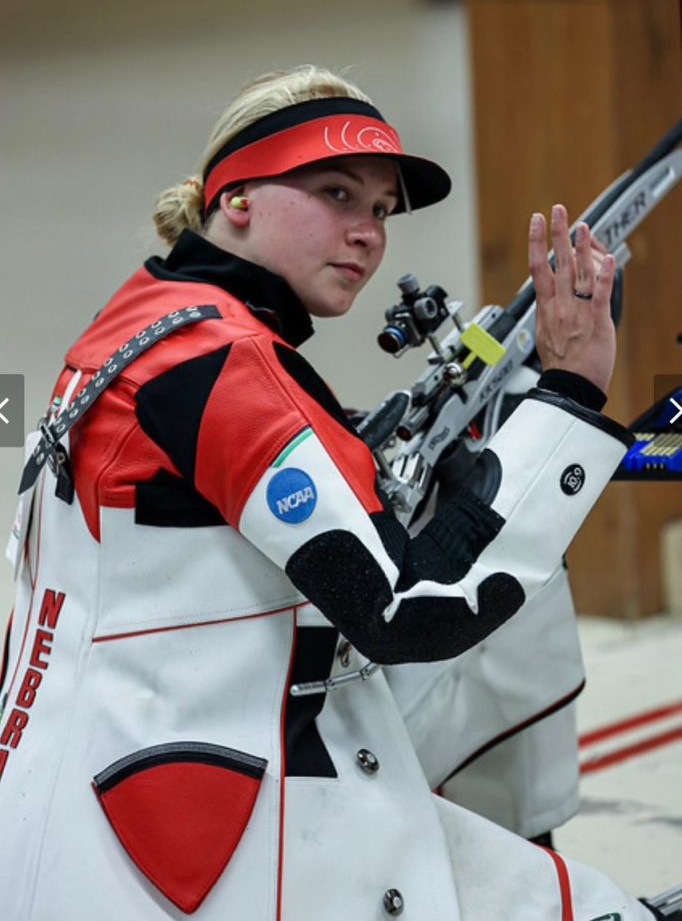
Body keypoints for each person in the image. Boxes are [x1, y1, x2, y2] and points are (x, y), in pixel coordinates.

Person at [0, 65, 663, 919]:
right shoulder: (225, 363)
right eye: (336, 193)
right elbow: (413, 609)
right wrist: (570, 393)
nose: (366, 234)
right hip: (196, 841)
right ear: (235, 196)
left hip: (77, 799)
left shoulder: (143, 316)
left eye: (381, 212)